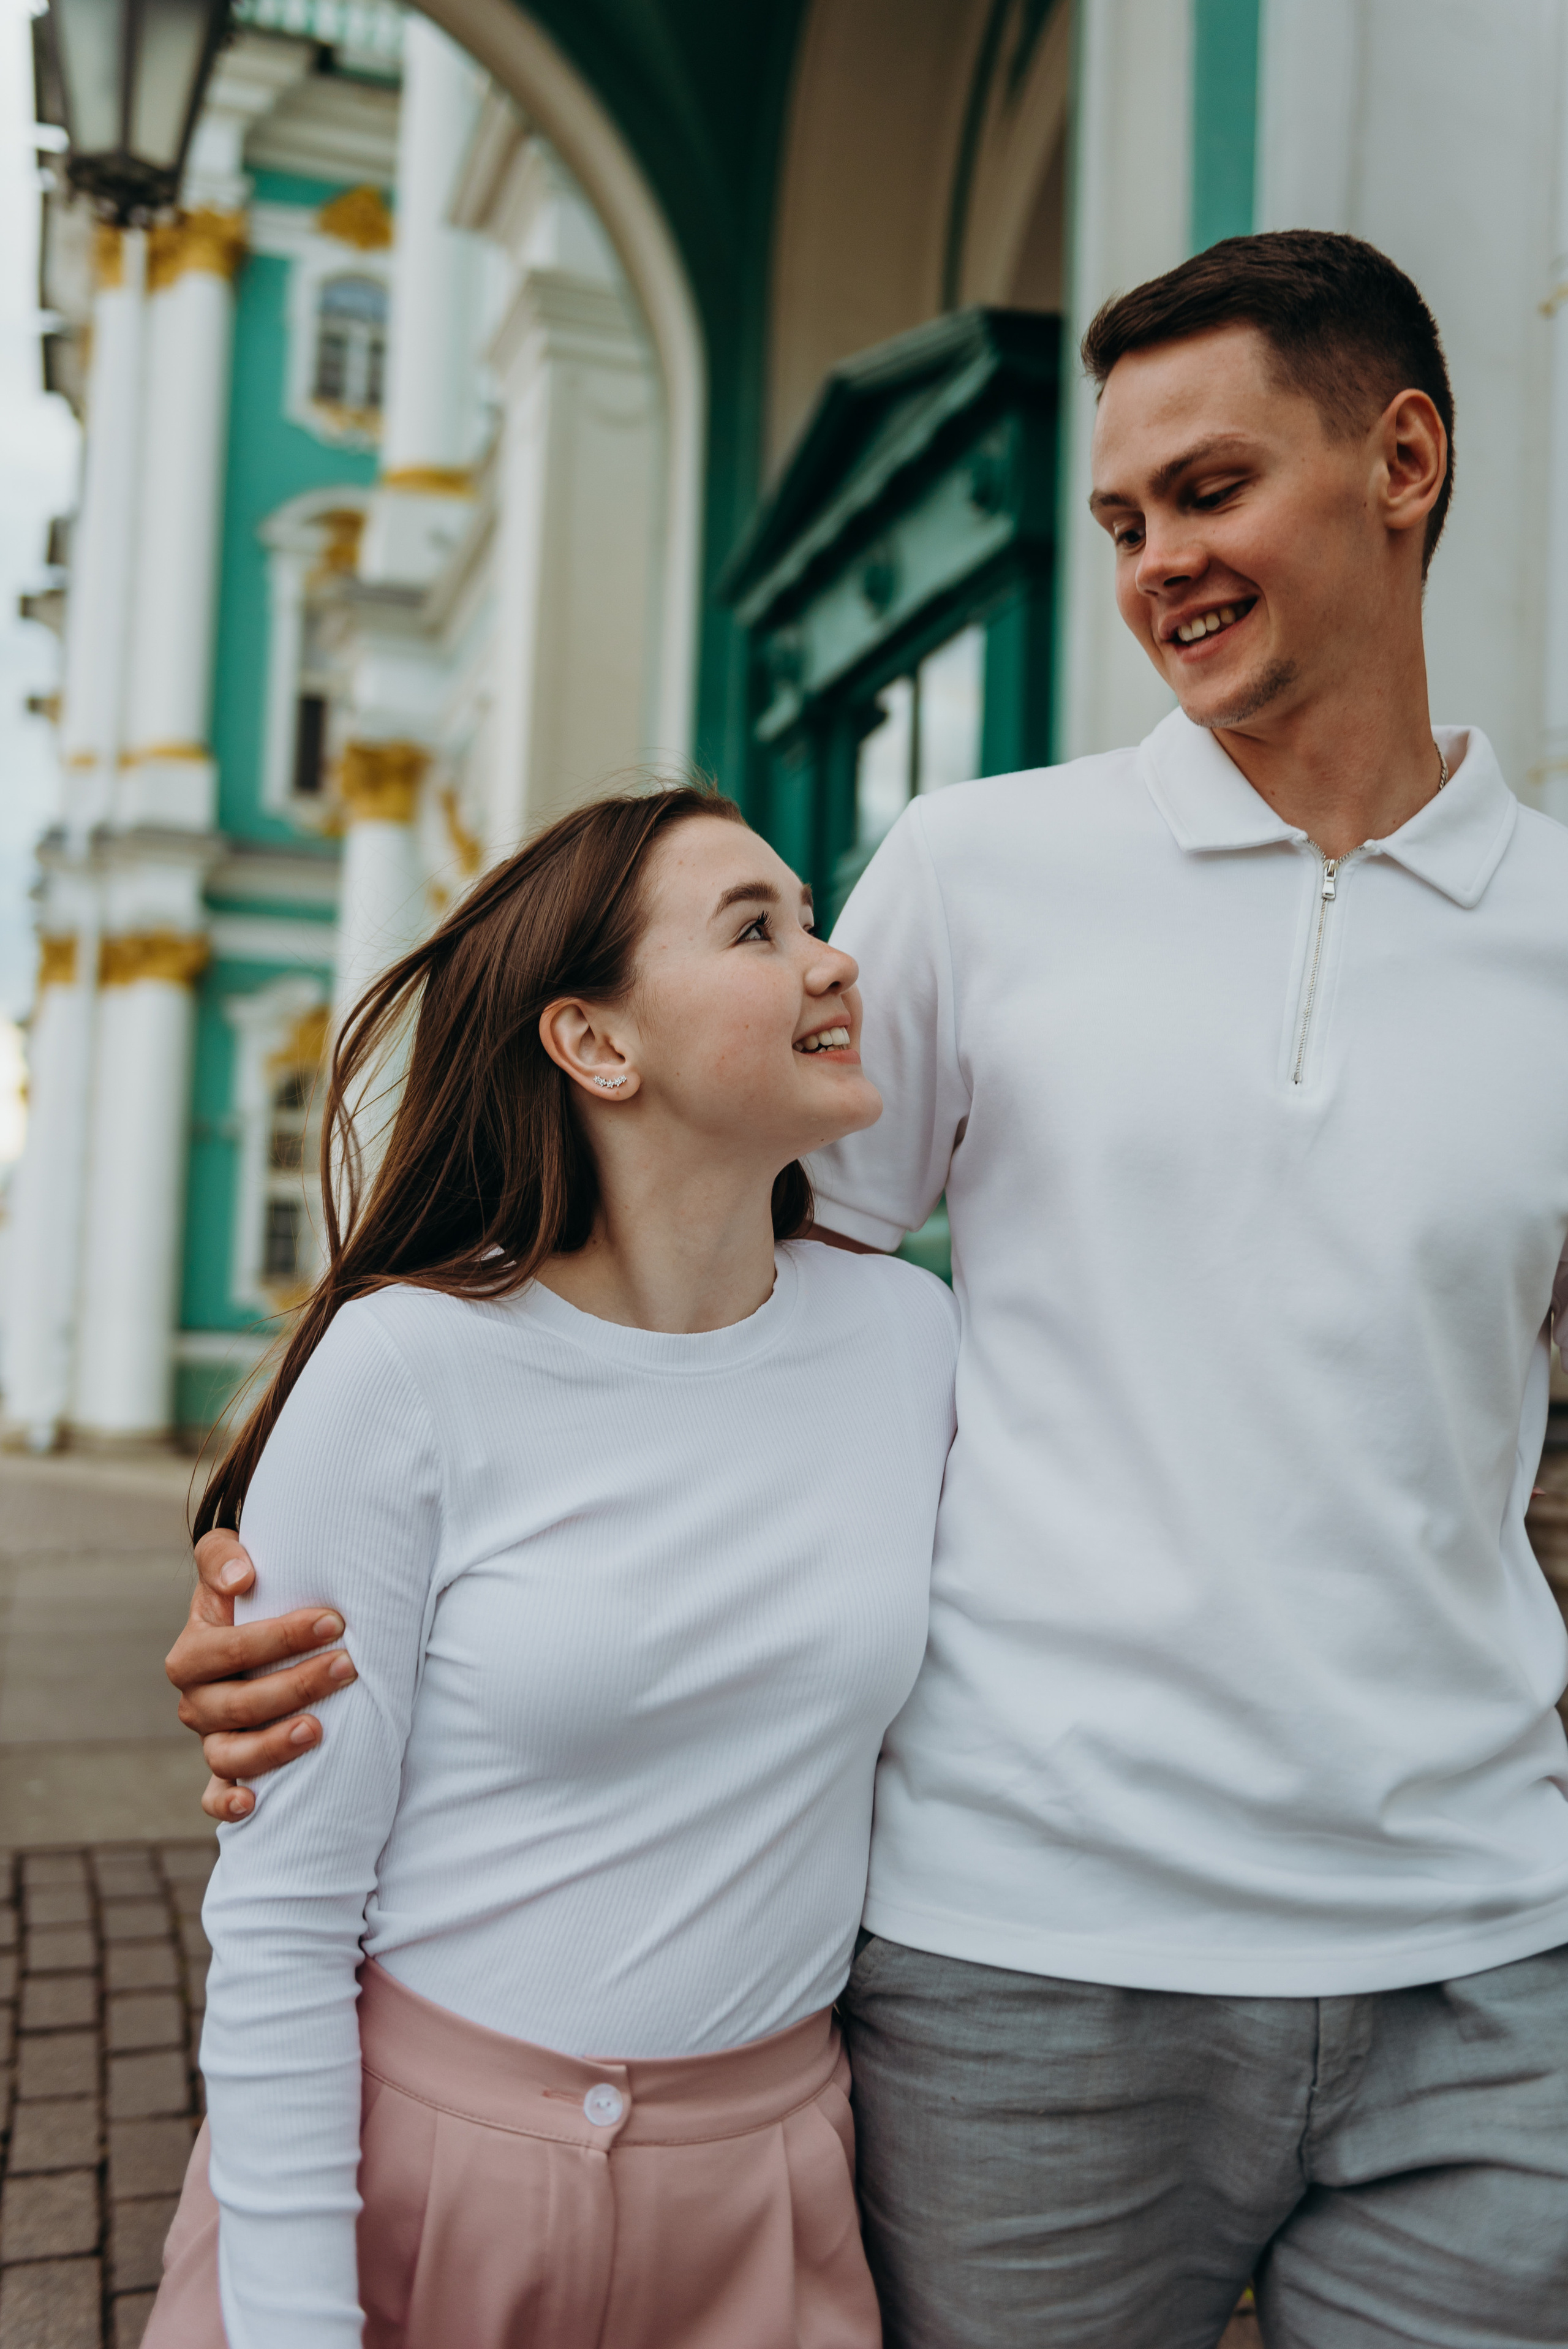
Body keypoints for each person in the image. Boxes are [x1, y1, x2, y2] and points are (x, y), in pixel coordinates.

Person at [167, 230, 1568, 2349]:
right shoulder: (976, 874)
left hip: (1483, 1958)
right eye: (1118, 519)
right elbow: (699, 1290)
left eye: (1209, 492)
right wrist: (291, 1565)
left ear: (1404, 457)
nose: (1154, 563)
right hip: (1025, 1957)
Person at [144, 785, 958, 2349]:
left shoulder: (911, 1343)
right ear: (593, 1045)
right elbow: (287, 1918)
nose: (831, 962)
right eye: (755, 929)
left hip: (773, 2201)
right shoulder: (406, 1369)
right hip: (419, 2193)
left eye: (814, 916)